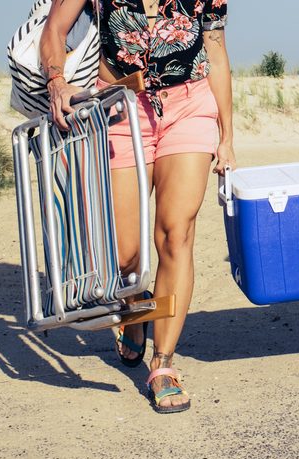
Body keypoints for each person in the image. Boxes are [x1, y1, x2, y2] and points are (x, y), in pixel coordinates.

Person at [40, 0, 234, 413]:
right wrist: (56, 80)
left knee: (174, 234)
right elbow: (54, 28)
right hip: (122, 109)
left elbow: (215, 49)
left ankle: (162, 363)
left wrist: (227, 136)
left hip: (191, 106)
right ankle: (138, 309)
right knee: (126, 255)